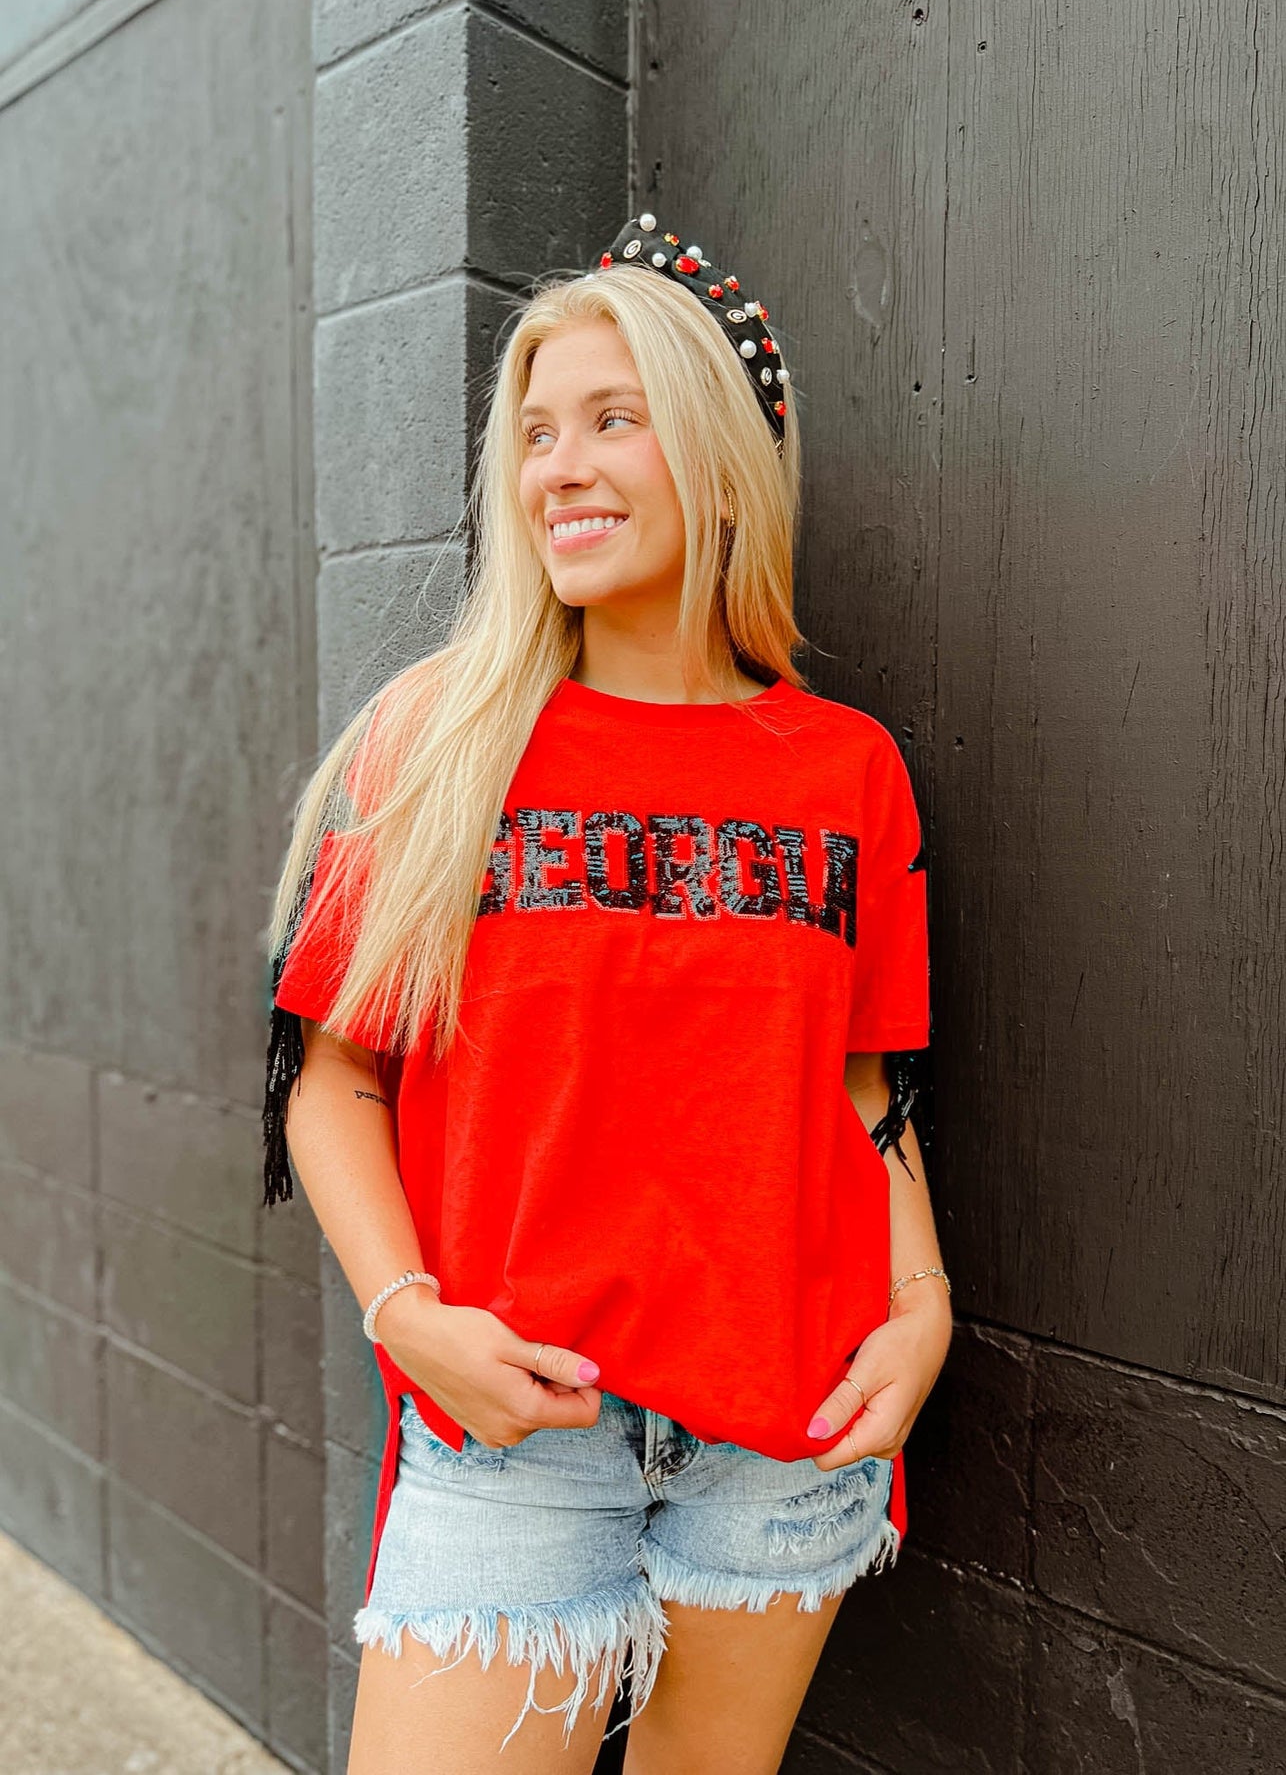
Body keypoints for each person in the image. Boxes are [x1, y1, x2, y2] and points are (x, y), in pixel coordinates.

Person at [260, 213, 953, 1775]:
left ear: (723, 465)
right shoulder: (440, 741)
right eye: (533, 434)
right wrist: (405, 1316)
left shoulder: (845, 769)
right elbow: (333, 1079)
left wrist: (921, 1306)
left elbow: (863, 1086)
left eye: (611, 420)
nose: (557, 469)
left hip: (790, 1434)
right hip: (515, 1437)